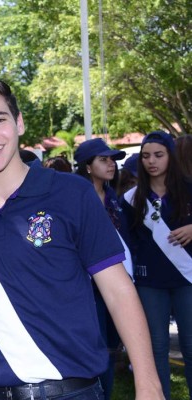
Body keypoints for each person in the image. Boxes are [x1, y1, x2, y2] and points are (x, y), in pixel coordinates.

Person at [0, 77, 163, 400]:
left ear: (19, 123)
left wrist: (149, 385)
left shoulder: (72, 193)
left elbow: (118, 291)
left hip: (69, 391)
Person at [121, 130, 192, 399]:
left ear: (170, 157)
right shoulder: (131, 198)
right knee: (157, 348)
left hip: (187, 279)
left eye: (159, 155)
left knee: (191, 346)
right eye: (146, 156)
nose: (152, 161)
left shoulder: (188, 189)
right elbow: (127, 241)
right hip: (150, 282)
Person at [73, 138, 130, 400]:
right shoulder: (74, 197)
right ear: (87, 166)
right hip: (86, 285)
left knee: (111, 345)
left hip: (115, 281)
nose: (111, 165)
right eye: (104, 160)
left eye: (113, 160)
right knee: (94, 345)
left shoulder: (113, 196)